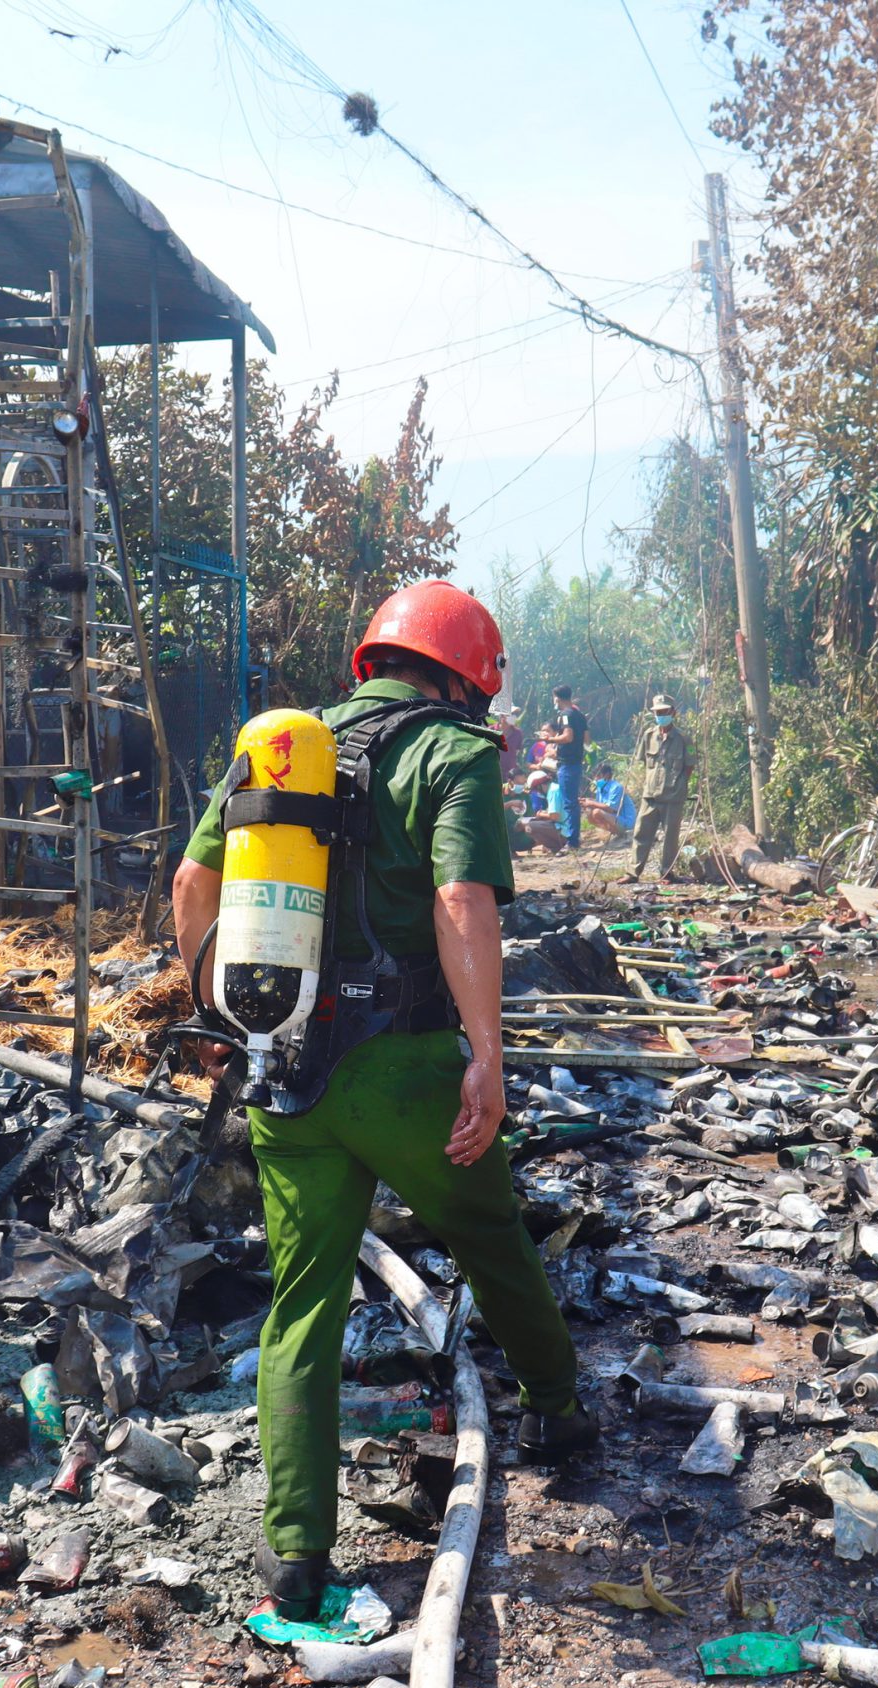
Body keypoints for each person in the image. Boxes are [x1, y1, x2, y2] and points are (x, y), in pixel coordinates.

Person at [169, 579, 593, 1620]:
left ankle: (297, 1556)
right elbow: (460, 898)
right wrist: (486, 1055)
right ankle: (554, 1411)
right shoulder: (454, 753)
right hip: (405, 1068)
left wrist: (219, 1012)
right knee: (488, 1235)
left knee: (301, 1303)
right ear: (468, 677)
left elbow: (190, 886)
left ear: (375, 659)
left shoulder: (285, 748)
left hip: (288, 1067)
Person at [630, 693, 693, 881]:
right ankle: (633, 872)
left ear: (673, 713)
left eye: (664, 712)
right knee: (641, 833)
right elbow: (644, 762)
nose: (661, 715)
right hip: (650, 795)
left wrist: (679, 784)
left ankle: (667, 873)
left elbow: (690, 765)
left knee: (670, 838)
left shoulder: (684, 739)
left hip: (673, 796)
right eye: (658, 712)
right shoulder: (648, 736)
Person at [539, 685, 590, 850]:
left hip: (567, 764)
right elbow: (587, 740)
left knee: (570, 803)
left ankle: (573, 841)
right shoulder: (579, 715)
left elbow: (568, 737)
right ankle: (573, 838)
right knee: (571, 802)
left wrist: (550, 740)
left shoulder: (566, 715)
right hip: (575, 762)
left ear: (557, 698)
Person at [586, 761, 636, 840]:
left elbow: (612, 809)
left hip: (626, 821)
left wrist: (591, 803)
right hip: (614, 818)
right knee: (589, 812)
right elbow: (599, 804)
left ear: (607, 775)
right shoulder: (600, 788)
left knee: (597, 812)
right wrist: (586, 801)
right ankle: (614, 832)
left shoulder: (616, 787)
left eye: (598, 775)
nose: (595, 778)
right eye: (594, 776)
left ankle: (621, 832)